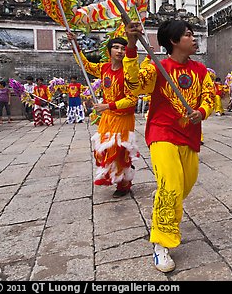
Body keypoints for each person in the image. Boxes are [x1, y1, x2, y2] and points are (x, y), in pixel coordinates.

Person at [123, 19, 215, 273]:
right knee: (172, 187)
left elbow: (210, 96)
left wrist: (202, 111)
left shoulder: (201, 70)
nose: (194, 38)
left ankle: (163, 198)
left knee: (184, 185)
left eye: (193, 34)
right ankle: (161, 244)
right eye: (188, 35)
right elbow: (134, 85)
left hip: (189, 136)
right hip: (162, 133)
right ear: (173, 42)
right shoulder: (157, 68)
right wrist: (131, 45)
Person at [67, 31, 140, 199]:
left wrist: (108, 105)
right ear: (109, 51)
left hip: (123, 116)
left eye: (123, 48)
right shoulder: (103, 68)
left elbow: (131, 100)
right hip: (107, 116)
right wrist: (74, 45)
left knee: (120, 149)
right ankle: (118, 176)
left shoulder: (129, 73)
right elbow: (84, 64)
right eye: (116, 47)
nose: (120, 51)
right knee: (105, 149)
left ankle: (124, 184)